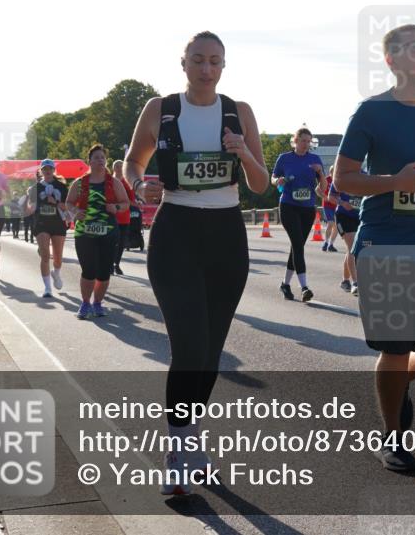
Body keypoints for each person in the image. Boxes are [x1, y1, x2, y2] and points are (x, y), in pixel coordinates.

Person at [124, 30, 268, 495]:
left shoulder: (239, 112)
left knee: (209, 353)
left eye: (215, 61)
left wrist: (242, 151)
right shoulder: (160, 109)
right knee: (188, 348)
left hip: (226, 235)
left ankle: (191, 441)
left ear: (223, 66)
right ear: (183, 63)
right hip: (176, 232)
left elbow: (261, 184)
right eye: (199, 60)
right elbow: (132, 162)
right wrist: (139, 184)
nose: (207, 69)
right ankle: (177, 452)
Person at [335, 23, 415, 473]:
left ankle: (394, 385)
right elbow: (343, 179)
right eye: (413, 48)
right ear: (391, 60)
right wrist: (394, 182)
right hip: (382, 243)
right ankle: (391, 437)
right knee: (394, 350)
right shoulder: (371, 112)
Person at [66, 145, 129, 320]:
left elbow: (125, 203)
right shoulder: (79, 183)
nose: (100, 160)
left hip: (108, 232)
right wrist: (74, 212)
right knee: (88, 270)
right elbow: (69, 202)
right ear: (90, 161)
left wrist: (116, 207)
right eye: (96, 157)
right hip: (84, 233)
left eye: (103, 157)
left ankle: (98, 303)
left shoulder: (113, 182)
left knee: (103, 272)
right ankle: (85, 303)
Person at [272, 128, 326, 302]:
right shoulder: (284, 158)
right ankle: (304, 287)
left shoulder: (315, 159)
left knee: (297, 247)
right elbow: (273, 178)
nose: (306, 144)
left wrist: (320, 173)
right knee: (297, 244)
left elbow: (323, 188)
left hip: (307, 209)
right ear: (295, 141)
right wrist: (278, 180)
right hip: (288, 206)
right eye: (303, 141)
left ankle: (285, 284)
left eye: (309, 141)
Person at [25, 159, 69, 298]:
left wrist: (55, 202)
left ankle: (56, 273)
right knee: (45, 255)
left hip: (58, 223)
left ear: (54, 170)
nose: (48, 171)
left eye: (50, 168)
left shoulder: (62, 187)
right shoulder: (35, 188)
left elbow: (67, 207)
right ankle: (48, 288)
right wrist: (28, 207)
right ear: (41, 171)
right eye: (45, 169)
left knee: (58, 257)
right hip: (41, 223)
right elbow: (30, 206)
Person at [327, 178, 359, 294]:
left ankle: (345, 281)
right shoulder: (340, 176)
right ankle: (355, 282)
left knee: (351, 249)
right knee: (352, 247)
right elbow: (330, 196)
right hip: (343, 216)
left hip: (359, 216)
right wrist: (342, 203)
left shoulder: (365, 174)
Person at [111, 160, 137, 275]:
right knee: (111, 242)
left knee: (121, 243)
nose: (119, 167)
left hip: (124, 217)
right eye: (117, 166)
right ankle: (110, 264)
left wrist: (133, 203)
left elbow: (132, 200)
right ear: (113, 168)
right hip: (110, 216)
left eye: (121, 166)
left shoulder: (127, 183)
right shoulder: (108, 181)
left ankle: (116, 264)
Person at [321, 165, 339, 252]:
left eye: (336, 172)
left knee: (337, 226)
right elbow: (317, 189)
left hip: (337, 206)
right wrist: (325, 197)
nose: (334, 174)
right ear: (330, 172)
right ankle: (326, 242)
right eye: (333, 172)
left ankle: (331, 244)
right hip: (327, 205)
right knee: (331, 223)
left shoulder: (339, 181)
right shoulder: (326, 180)